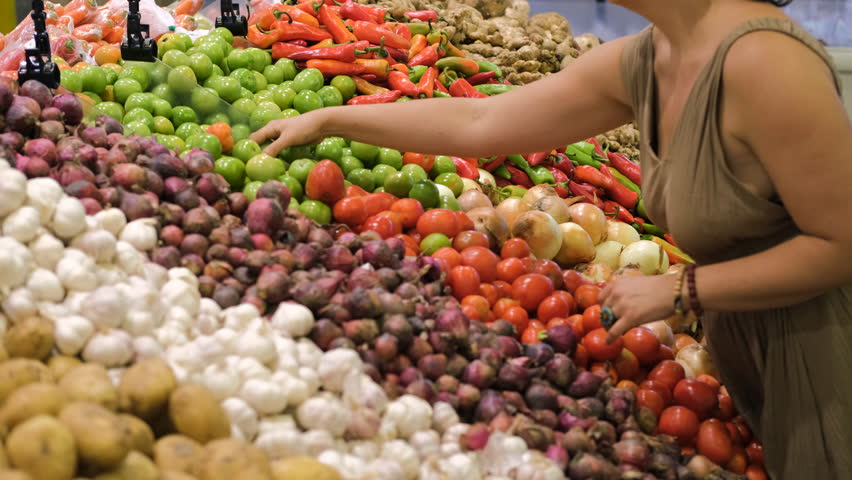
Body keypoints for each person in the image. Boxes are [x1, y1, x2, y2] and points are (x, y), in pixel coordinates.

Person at [252, 0, 852, 476]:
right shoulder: (649, 57)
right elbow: (484, 121)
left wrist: (680, 288)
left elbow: (842, 244)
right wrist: (330, 118)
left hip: (827, 359)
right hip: (753, 344)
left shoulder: (765, 60)